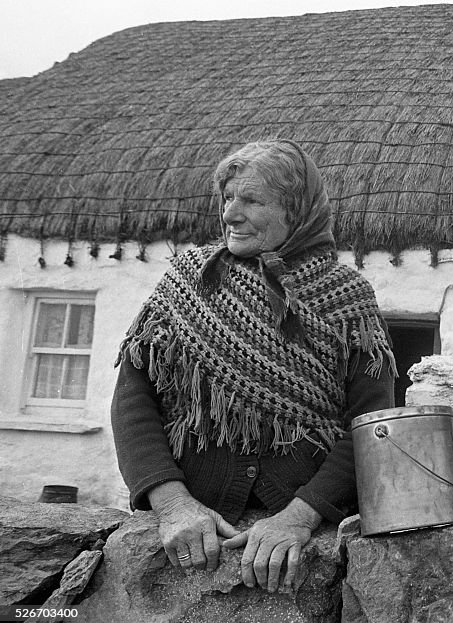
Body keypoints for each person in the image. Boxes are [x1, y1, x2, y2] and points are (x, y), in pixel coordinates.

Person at [112, 139, 395, 592]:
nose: (230, 214)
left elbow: (370, 424)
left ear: (296, 211)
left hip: (307, 516)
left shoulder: (347, 299)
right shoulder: (189, 281)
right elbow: (133, 399)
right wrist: (171, 504)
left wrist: (300, 518)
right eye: (227, 198)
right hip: (192, 518)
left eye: (252, 200)